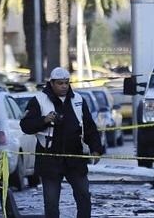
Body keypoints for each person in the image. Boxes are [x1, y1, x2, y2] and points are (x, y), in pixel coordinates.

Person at [20, 67, 104, 218]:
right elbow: (25, 126)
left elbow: (89, 128)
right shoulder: (38, 101)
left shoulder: (78, 100)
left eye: (66, 83)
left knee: (84, 196)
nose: (64, 86)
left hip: (75, 158)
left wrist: (96, 149)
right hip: (49, 159)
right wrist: (44, 120)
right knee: (51, 202)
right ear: (51, 83)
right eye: (60, 83)